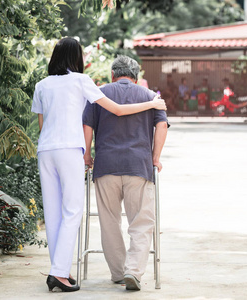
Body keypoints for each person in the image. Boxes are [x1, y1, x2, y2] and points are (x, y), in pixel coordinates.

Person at [31, 37, 166, 293]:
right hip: (71, 149)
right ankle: (60, 273)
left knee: (53, 212)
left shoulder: (41, 85)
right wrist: (151, 103)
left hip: (46, 150)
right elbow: (116, 110)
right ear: (76, 58)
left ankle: (60, 270)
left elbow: (43, 123)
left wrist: (84, 153)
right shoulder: (82, 81)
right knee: (73, 211)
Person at [82, 55, 168, 291]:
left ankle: (118, 272)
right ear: (136, 77)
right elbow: (161, 125)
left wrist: (87, 156)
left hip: (106, 166)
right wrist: (155, 157)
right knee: (141, 221)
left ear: (113, 75)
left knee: (109, 221)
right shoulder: (151, 97)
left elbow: (87, 127)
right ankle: (133, 271)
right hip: (138, 166)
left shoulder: (98, 93)